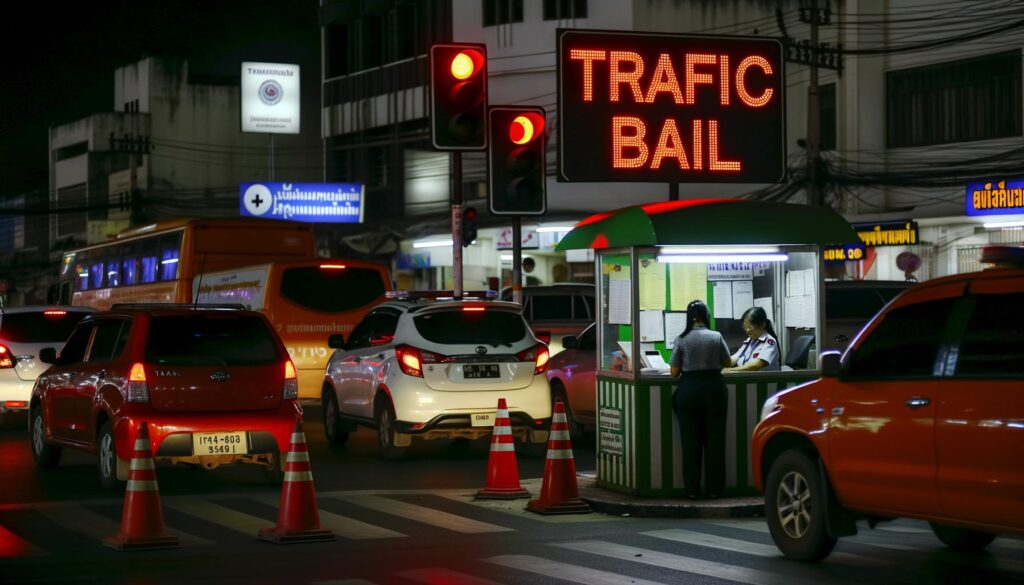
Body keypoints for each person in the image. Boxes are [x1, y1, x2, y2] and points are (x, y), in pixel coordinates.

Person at [668, 300, 732, 499]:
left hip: (689, 390)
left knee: (690, 443)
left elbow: (673, 372)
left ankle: (692, 490)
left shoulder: (682, 339)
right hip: (714, 388)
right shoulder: (716, 336)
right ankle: (714, 490)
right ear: (706, 316)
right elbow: (728, 361)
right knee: (715, 441)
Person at [724, 306, 780, 372]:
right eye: (745, 327)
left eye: (749, 327)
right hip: (749, 380)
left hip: (765, 381)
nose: (747, 330)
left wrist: (730, 370)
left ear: (762, 324)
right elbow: (733, 359)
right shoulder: (749, 341)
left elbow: (756, 365)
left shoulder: (770, 342)